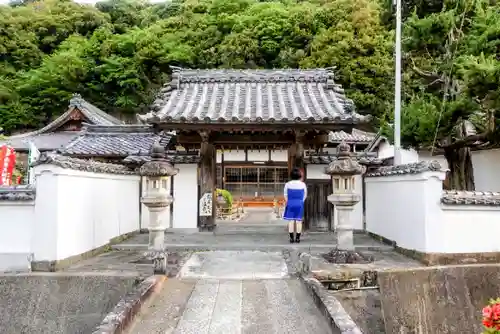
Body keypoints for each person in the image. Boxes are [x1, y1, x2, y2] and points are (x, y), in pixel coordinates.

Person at [283, 167, 307, 243]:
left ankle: (291, 238)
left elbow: (285, 195)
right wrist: (301, 201)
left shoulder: (287, 184)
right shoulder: (303, 184)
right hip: (299, 203)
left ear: (291, 175)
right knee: (299, 221)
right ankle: (298, 238)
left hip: (290, 203)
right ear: (299, 175)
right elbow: (305, 195)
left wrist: (288, 202)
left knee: (291, 221)